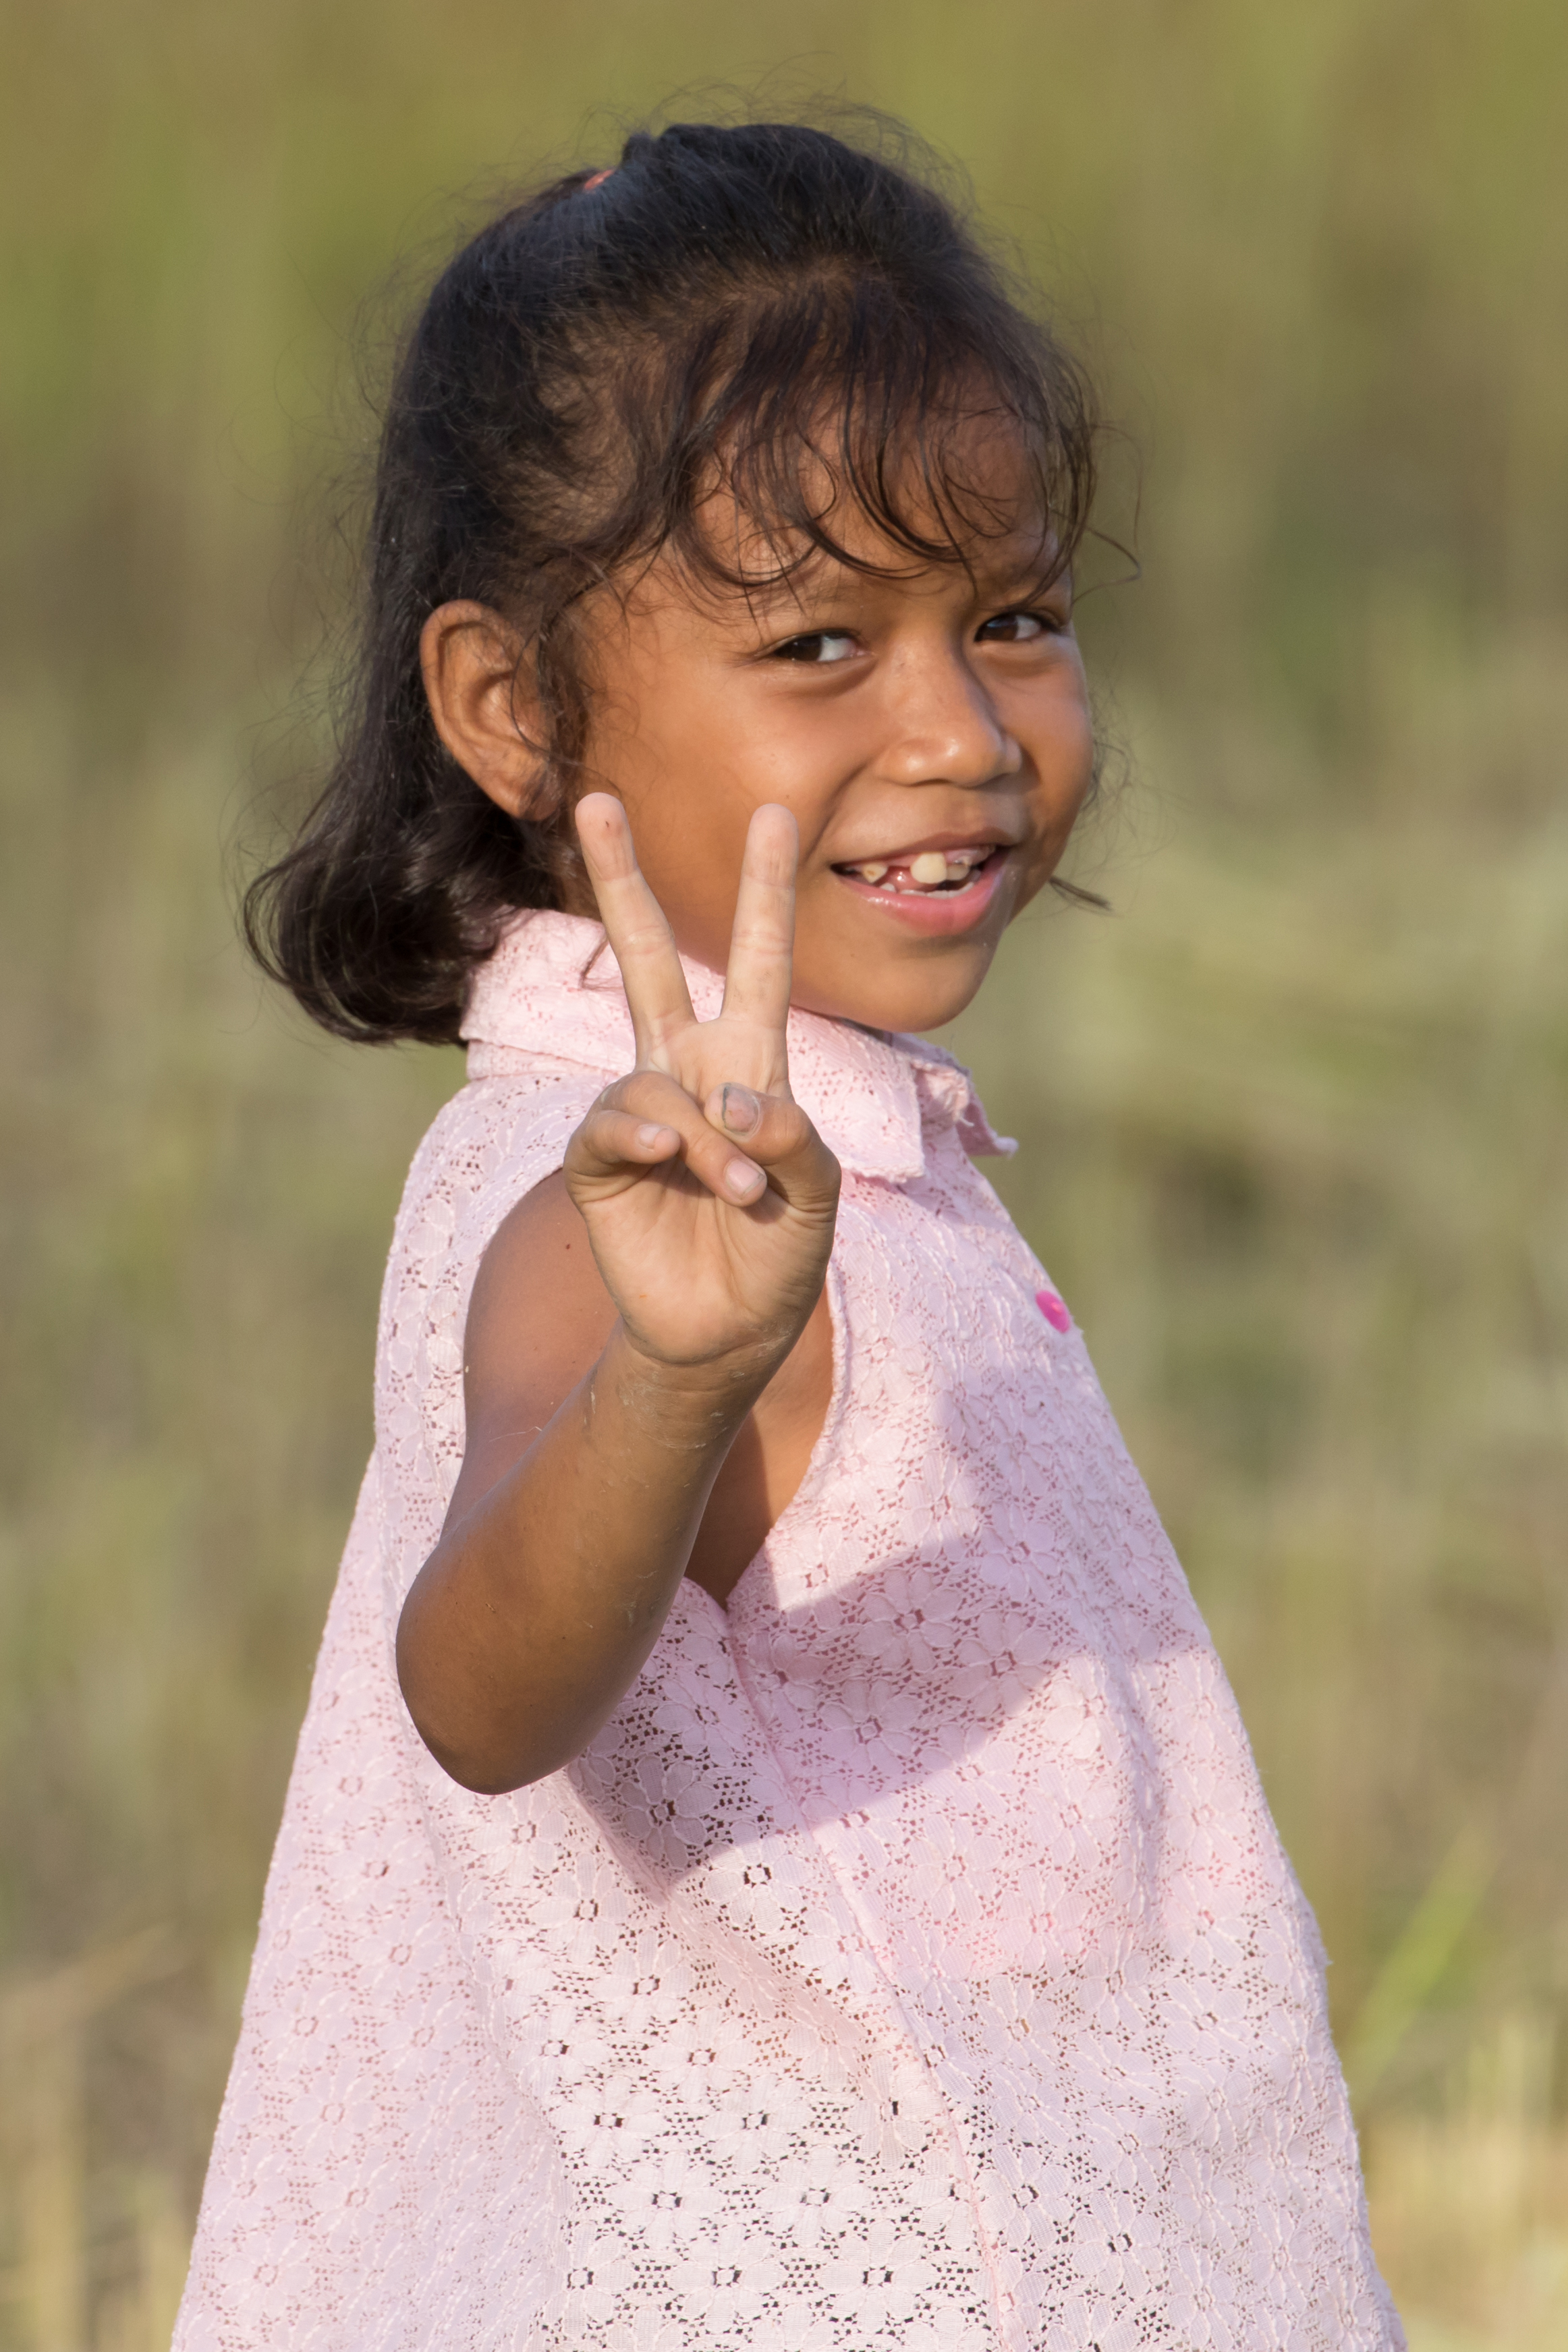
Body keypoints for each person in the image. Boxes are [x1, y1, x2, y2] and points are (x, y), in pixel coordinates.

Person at [175, 117, 1403, 2351]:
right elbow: (477, 1687)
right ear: (510, 710)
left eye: (1012, 618)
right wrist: (673, 1375)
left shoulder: (836, 1148)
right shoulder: (623, 1197)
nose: (957, 730)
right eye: (822, 641)